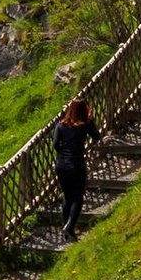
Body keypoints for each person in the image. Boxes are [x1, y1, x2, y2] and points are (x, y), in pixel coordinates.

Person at [52, 96, 101, 240]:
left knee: (67, 196)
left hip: (61, 165)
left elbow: (56, 145)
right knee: (78, 196)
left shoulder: (60, 126)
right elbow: (96, 137)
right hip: (77, 164)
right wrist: (90, 121)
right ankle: (69, 226)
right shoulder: (84, 125)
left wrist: (63, 155)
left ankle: (66, 230)